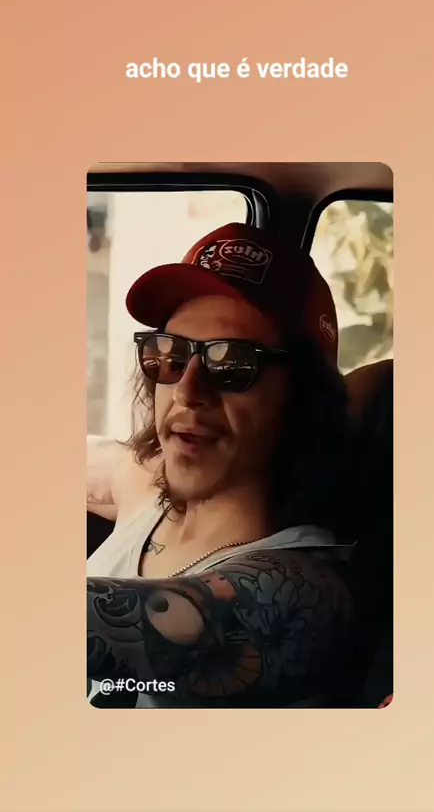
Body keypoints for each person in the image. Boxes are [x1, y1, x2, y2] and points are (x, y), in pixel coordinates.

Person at [87, 222, 354, 707]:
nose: (186, 392)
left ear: (303, 398)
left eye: (233, 364)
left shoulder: (302, 591)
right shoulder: (148, 488)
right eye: (170, 355)